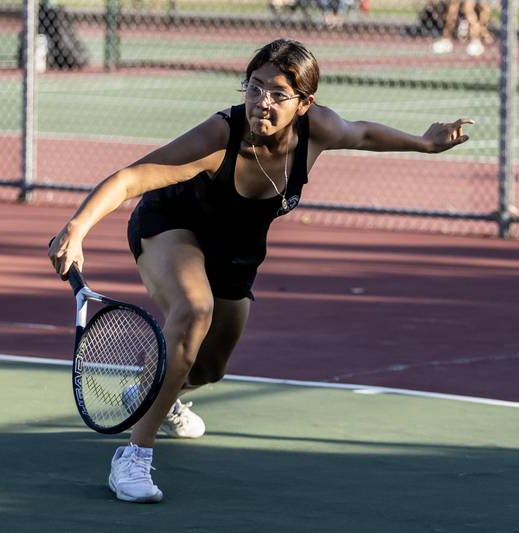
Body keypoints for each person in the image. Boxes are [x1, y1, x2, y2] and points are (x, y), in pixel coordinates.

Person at [48, 38, 473, 503]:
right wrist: (78, 227)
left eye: (277, 93)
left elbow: (364, 133)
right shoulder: (221, 135)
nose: (261, 102)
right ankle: (133, 458)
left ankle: (153, 391)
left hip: (237, 250)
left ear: (305, 103)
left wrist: (424, 143)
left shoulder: (320, 129)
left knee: (210, 368)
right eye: (254, 87)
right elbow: (133, 177)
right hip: (173, 225)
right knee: (194, 311)